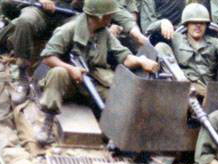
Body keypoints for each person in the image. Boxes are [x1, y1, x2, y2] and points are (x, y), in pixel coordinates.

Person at [0, 0, 148, 105]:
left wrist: (135, 31)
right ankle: (22, 76)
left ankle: (78, 71)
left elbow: (110, 9)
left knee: (83, 28)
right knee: (24, 22)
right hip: (41, 10)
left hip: (69, 15)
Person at [35, 0, 160, 145]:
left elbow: (124, 57)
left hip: (94, 81)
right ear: (100, 17)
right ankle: (48, 122)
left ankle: (112, 135)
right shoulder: (69, 29)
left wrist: (141, 61)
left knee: (118, 99)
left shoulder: (104, 33)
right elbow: (48, 57)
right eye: (109, 15)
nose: (111, 18)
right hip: (69, 82)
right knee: (58, 72)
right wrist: (70, 69)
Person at [151, 3, 218, 96]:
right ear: (187, 24)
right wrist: (162, 22)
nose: (198, 26)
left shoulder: (214, 42)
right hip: (181, 88)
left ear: (206, 25)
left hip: (206, 91)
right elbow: (149, 34)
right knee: (161, 46)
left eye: (202, 23)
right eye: (194, 23)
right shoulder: (176, 39)